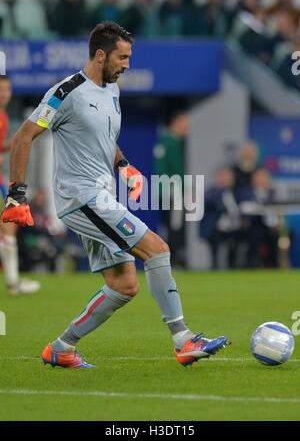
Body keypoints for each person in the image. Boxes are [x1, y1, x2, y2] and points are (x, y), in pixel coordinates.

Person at [2, 21, 229, 368]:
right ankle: (184, 339)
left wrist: (124, 166)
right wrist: (17, 194)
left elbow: (105, 139)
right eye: (122, 58)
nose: (127, 65)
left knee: (124, 285)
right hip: (81, 197)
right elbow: (23, 137)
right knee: (158, 250)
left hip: (101, 194)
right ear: (100, 54)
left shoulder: (112, 90)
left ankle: (61, 348)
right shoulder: (67, 92)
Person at [0, 75, 40, 295]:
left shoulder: (3, 116)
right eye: (0, 89)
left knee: (9, 226)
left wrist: (8, 147)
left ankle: (13, 282)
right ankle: (13, 283)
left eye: (7, 89)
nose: (4, 93)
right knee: (9, 226)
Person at [153, 109, 189, 268]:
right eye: (185, 124)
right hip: (173, 192)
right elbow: (177, 170)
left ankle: (169, 260)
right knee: (176, 227)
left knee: (168, 226)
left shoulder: (162, 141)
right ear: (176, 123)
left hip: (162, 191)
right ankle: (173, 261)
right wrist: (187, 190)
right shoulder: (172, 142)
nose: (187, 129)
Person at [200, 167, 241, 269]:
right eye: (223, 176)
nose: (226, 179)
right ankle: (215, 266)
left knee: (237, 240)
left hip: (233, 228)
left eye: (228, 176)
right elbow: (209, 203)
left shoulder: (236, 192)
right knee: (215, 244)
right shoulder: (211, 192)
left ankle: (233, 266)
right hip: (215, 228)